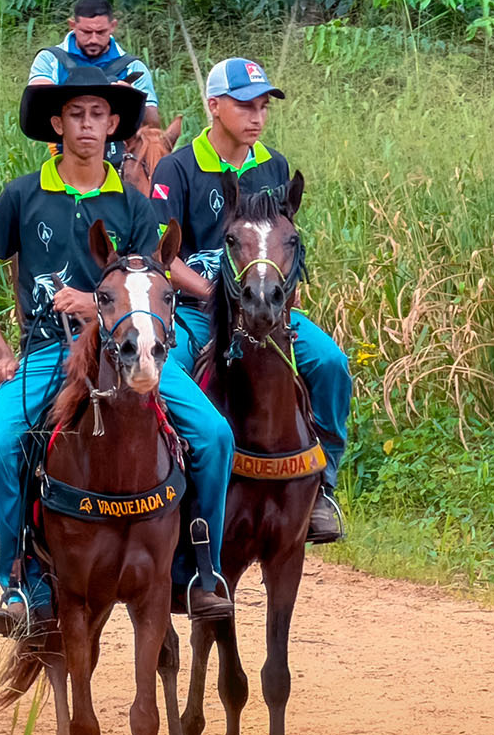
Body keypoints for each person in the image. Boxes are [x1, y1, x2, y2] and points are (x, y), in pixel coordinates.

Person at [0, 65, 236, 635]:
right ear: (57, 124)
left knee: (215, 435)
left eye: (98, 115)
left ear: (114, 124)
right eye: (76, 114)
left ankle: (200, 570)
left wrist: (94, 302)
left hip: (130, 354)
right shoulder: (21, 194)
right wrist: (0, 351)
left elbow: (152, 280)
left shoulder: (134, 204)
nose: (87, 125)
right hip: (47, 353)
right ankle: (19, 582)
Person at [151, 57, 353, 543]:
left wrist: (276, 297)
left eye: (263, 107)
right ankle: (169, 488)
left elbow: (284, 245)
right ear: (214, 106)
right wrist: (217, 295)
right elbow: (162, 255)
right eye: (245, 106)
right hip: (197, 312)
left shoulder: (274, 166)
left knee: (331, 363)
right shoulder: (177, 168)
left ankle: (322, 485)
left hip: (268, 313)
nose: (256, 117)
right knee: (165, 372)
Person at [27, 0, 159, 168]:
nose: (93, 39)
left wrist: (131, 100)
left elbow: (153, 124)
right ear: (72, 25)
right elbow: (37, 98)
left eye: (101, 32)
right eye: (86, 32)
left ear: (113, 26)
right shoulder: (50, 59)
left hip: (119, 161)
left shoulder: (133, 67)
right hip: (61, 157)